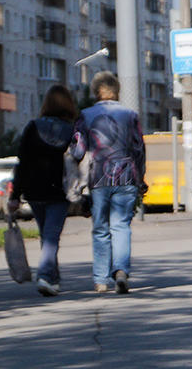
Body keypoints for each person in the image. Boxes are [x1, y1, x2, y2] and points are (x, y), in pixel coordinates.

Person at [73, 71, 145, 295]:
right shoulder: (130, 114)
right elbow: (139, 149)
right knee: (121, 225)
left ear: (96, 91)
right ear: (117, 90)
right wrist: (141, 178)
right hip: (127, 176)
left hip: (99, 177)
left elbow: (78, 151)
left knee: (100, 229)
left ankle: (101, 279)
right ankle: (121, 271)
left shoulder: (85, 115)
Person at [7, 85, 80, 296]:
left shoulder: (32, 127)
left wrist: (15, 195)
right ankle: (46, 276)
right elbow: (79, 161)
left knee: (47, 235)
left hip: (34, 191)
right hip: (59, 190)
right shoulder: (72, 130)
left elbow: (23, 162)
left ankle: (53, 280)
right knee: (50, 236)